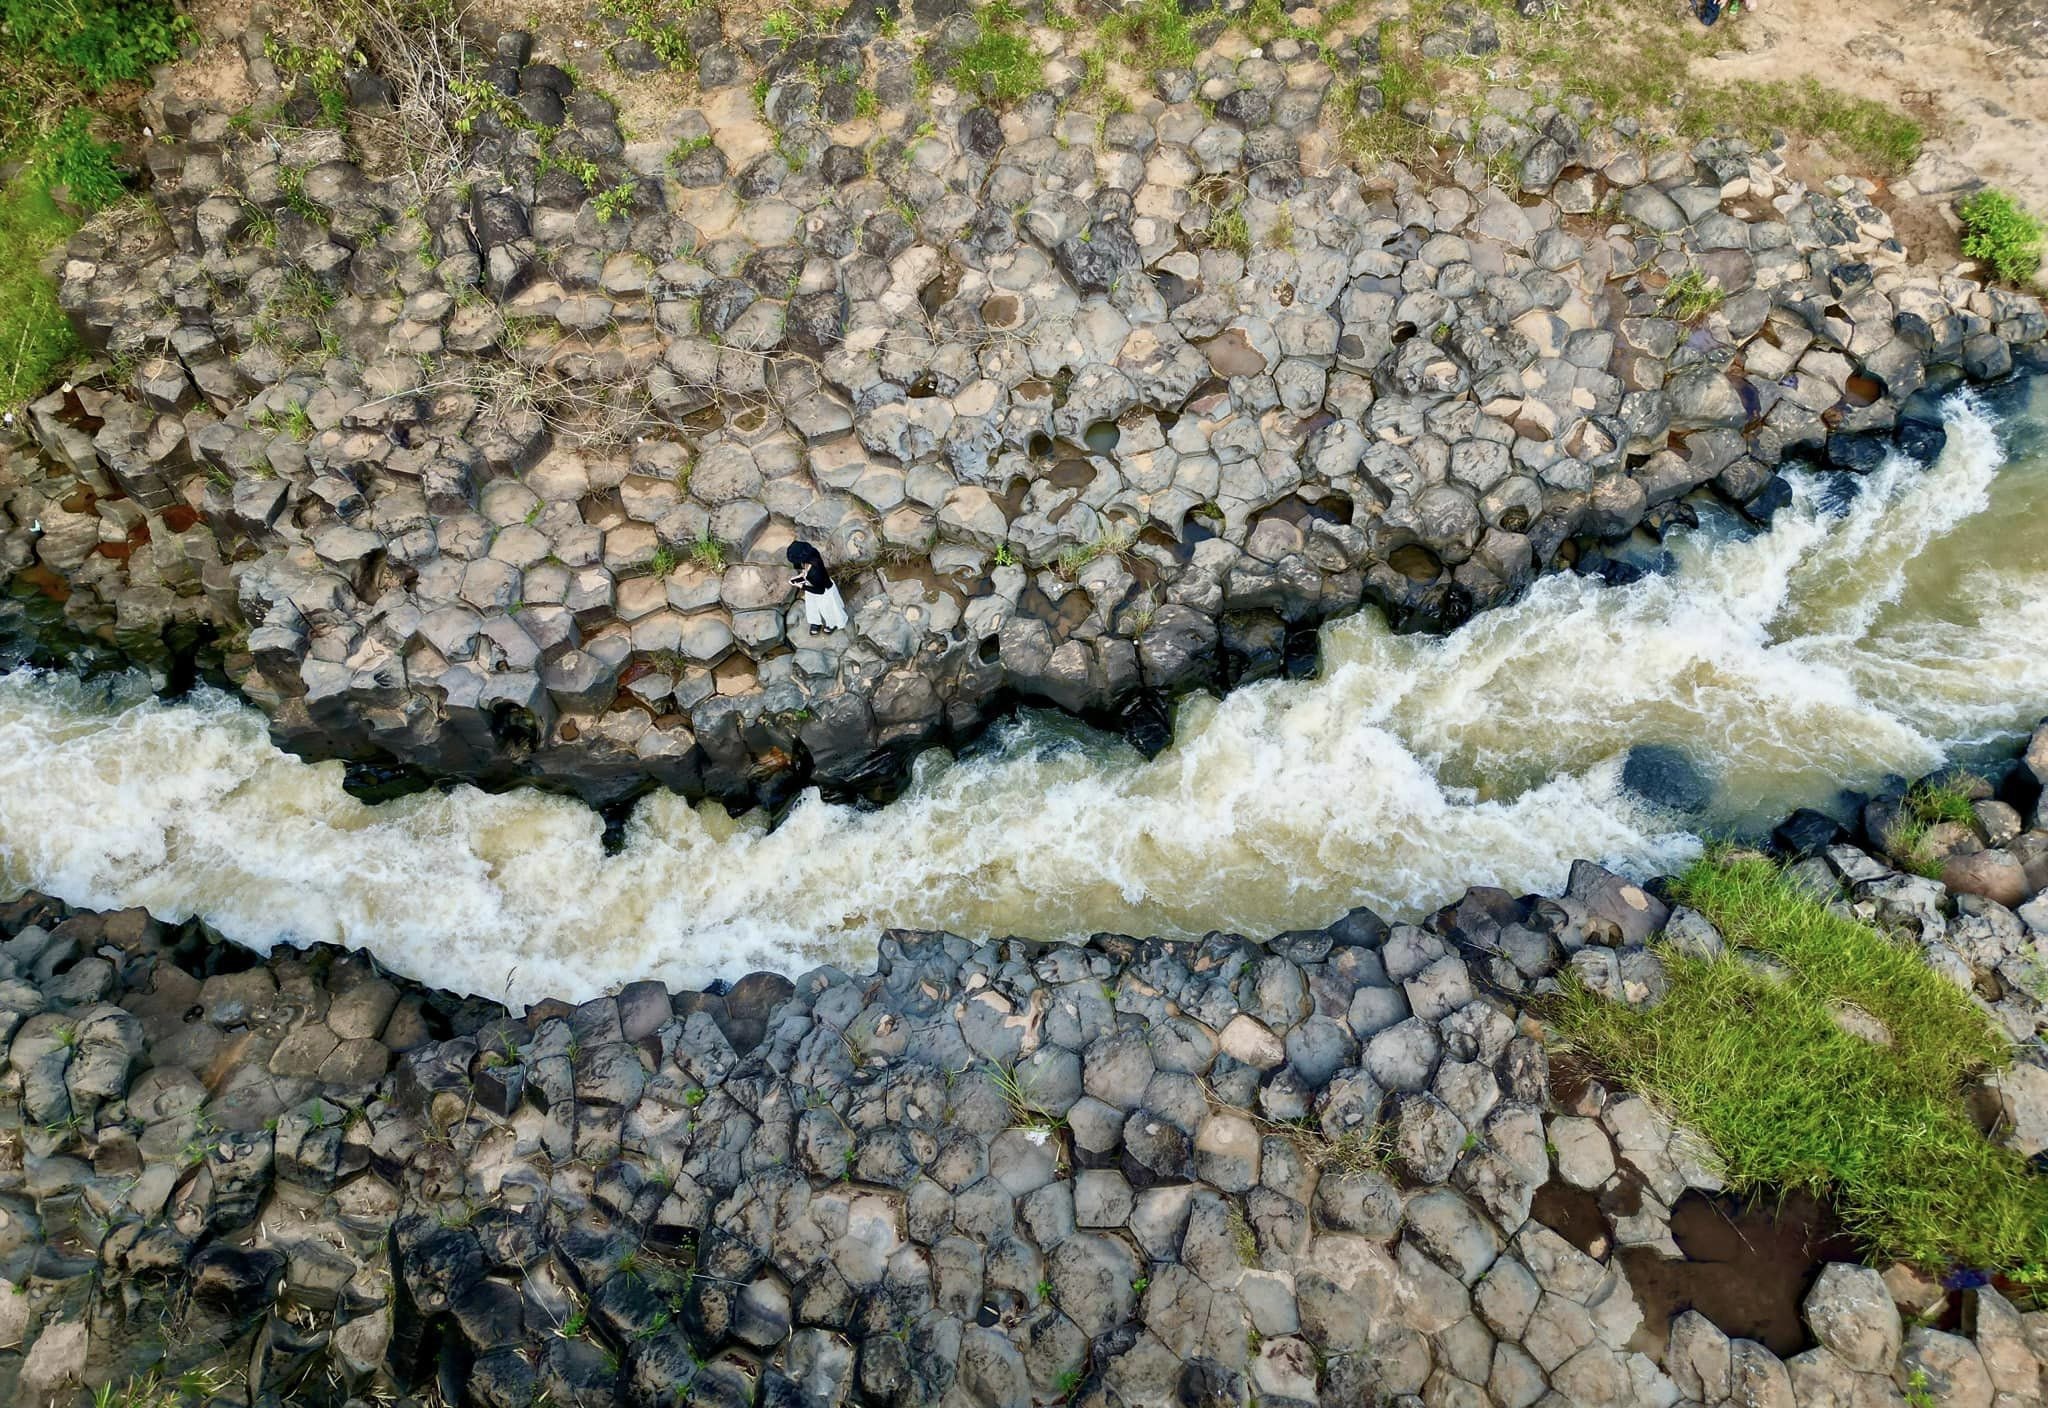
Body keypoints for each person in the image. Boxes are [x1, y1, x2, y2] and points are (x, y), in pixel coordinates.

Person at [785, 541, 848, 636]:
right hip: (813, 585)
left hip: (824, 591)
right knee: (811, 606)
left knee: (827, 610)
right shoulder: (812, 553)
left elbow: (820, 591)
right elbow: (803, 569)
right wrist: (802, 576)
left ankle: (832, 624)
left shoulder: (814, 571)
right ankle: (815, 622)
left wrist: (802, 586)